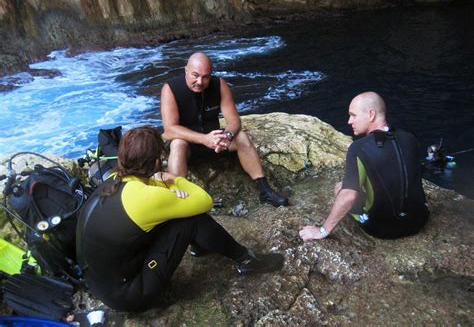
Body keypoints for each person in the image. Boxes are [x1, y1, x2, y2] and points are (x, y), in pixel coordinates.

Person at [76, 126, 284, 312]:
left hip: (102, 285)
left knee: (171, 214)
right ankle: (247, 259)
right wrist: (174, 180)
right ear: (157, 161)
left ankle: (201, 245)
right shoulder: (144, 198)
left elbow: (149, 201)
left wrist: (159, 182)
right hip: (130, 296)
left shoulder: (112, 181)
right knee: (189, 220)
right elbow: (204, 201)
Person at [160, 52, 288, 207]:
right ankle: (179, 197)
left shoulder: (219, 84)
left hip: (216, 143)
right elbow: (169, 130)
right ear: (186, 70)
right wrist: (204, 139)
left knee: (241, 137)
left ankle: (265, 191)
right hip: (190, 146)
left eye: (205, 77)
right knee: (177, 143)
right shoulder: (171, 88)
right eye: (195, 75)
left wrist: (227, 135)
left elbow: (234, 120)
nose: (200, 82)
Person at [299, 92, 429, 240]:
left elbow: (349, 196)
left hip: (383, 228)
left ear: (371, 114)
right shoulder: (410, 138)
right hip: (419, 220)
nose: (349, 121)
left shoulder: (358, 148)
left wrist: (321, 231)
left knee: (340, 188)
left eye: (353, 115)